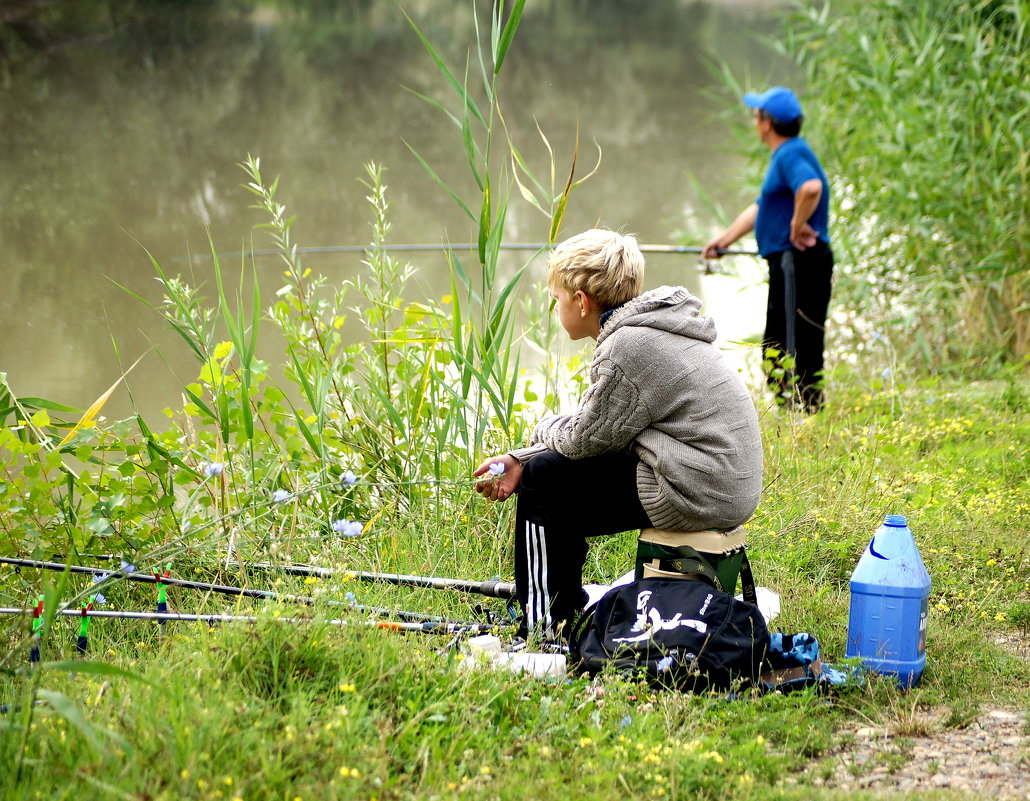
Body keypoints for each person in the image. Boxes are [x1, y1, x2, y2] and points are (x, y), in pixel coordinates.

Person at [473, 229, 763, 643]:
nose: (556, 308)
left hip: (699, 488)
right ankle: (562, 602)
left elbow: (580, 441)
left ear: (581, 300)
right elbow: (603, 431)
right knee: (547, 468)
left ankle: (542, 627)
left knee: (544, 480)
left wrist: (533, 445)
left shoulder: (627, 347)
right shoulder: (651, 330)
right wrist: (524, 455)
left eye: (556, 299)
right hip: (715, 479)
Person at [703, 86, 833, 413]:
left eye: (756, 114)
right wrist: (725, 239)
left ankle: (803, 415)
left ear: (766, 123)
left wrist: (795, 226)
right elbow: (763, 208)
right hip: (792, 262)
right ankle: (799, 412)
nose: (753, 119)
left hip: (796, 261)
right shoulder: (789, 153)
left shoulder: (790, 154)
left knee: (790, 342)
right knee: (783, 340)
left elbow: (810, 188)